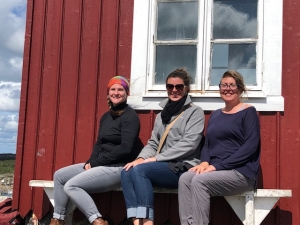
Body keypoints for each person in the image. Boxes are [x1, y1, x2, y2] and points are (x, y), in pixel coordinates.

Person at [50, 76, 140, 225]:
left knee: (71, 186)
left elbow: (126, 149)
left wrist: (97, 162)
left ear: (127, 93)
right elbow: (99, 143)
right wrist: (91, 161)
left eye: (120, 89)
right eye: (113, 89)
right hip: (100, 164)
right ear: (108, 93)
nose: (116, 93)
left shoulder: (130, 117)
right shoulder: (106, 116)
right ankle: (58, 220)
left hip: (118, 167)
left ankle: (97, 221)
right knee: (59, 176)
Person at [121, 68, 205, 225]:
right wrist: (140, 158)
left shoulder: (195, 112)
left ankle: (147, 222)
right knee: (127, 171)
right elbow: (153, 142)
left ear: (186, 88)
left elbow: (189, 144)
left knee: (140, 171)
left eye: (179, 87)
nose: (174, 90)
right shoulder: (162, 115)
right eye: (170, 87)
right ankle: (136, 221)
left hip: (183, 166)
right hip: (162, 165)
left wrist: (155, 158)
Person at [178, 70, 261, 225]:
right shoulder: (216, 114)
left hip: (241, 172)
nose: (227, 89)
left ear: (240, 89)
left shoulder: (248, 112)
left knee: (199, 181)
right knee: (185, 179)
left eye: (232, 85)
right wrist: (204, 162)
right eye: (224, 85)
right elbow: (208, 144)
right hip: (216, 169)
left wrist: (217, 167)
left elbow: (250, 147)